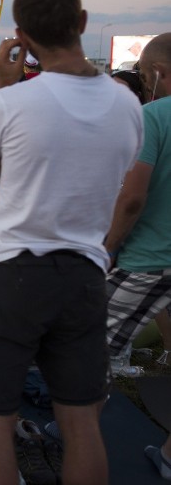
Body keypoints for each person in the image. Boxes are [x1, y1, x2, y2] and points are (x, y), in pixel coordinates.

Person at [0, 0, 143, 485]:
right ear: (82, 23)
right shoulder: (128, 105)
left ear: (20, 35)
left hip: (13, 271)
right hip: (84, 272)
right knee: (82, 420)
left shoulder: (10, 101)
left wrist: (3, 84)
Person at [104, 33, 171, 376]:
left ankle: (75, 428)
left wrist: (110, 246)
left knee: (87, 344)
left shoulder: (153, 117)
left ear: (158, 72)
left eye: (145, 79)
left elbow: (132, 199)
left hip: (151, 255)